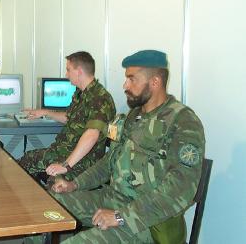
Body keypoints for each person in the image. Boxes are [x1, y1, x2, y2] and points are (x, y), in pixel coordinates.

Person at [50, 50, 205, 243]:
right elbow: (109, 163)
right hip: (112, 198)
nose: (125, 85)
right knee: (47, 206)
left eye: (132, 79)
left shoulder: (182, 121)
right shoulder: (133, 116)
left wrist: (121, 216)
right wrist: (75, 184)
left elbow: (179, 190)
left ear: (155, 82)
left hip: (147, 220)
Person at [18, 51, 116, 183]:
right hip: (63, 151)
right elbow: (69, 117)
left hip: (83, 161)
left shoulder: (99, 98)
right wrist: (45, 112)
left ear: (79, 71)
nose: (66, 74)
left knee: (36, 170)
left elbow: (92, 135)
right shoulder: (81, 93)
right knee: (25, 160)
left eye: (68, 70)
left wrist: (65, 165)